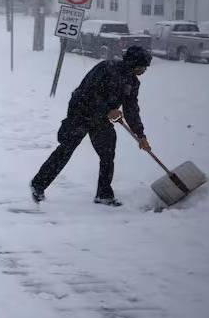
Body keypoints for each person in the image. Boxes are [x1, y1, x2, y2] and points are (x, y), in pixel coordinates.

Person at [30, 45, 153, 206]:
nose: (144, 70)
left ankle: (104, 194)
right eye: (142, 66)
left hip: (100, 119)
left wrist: (140, 135)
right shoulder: (106, 68)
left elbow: (131, 110)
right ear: (133, 63)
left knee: (108, 154)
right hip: (81, 113)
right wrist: (108, 110)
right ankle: (38, 185)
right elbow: (86, 92)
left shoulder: (132, 82)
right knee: (66, 150)